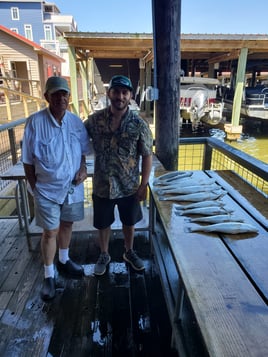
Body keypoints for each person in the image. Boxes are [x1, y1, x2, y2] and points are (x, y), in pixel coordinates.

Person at [22, 76, 90, 300]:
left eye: (65, 94)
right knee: (50, 231)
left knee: (68, 224)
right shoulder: (34, 123)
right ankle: (49, 275)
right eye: (56, 94)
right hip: (47, 190)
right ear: (46, 97)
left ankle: (64, 260)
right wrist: (35, 189)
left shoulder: (75, 121)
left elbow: (82, 152)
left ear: (69, 97)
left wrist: (83, 168)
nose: (61, 97)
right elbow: (28, 162)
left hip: (72, 188)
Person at [84, 75, 153, 276]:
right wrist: (79, 165)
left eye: (125, 92)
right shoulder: (94, 121)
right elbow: (75, 141)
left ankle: (129, 251)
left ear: (130, 95)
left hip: (129, 185)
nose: (120, 96)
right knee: (103, 223)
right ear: (109, 93)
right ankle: (104, 254)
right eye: (116, 92)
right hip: (102, 184)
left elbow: (147, 155)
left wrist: (144, 184)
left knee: (129, 222)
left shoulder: (140, 124)